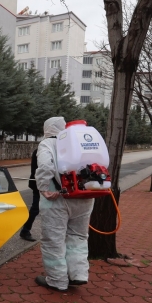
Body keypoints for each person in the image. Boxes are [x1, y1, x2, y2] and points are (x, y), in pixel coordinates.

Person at [34, 116, 94, 292]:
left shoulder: (47, 144)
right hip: (85, 196)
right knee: (78, 236)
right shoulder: (80, 141)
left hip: (57, 200)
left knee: (54, 240)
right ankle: (78, 274)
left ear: (47, 129)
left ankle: (57, 280)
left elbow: (45, 166)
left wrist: (43, 188)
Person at [19, 148, 39, 241]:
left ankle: (25, 231)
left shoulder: (41, 149)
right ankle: (25, 231)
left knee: (37, 209)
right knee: (35, 209)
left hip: (40, 184)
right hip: (39, 184)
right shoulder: (41, 150)